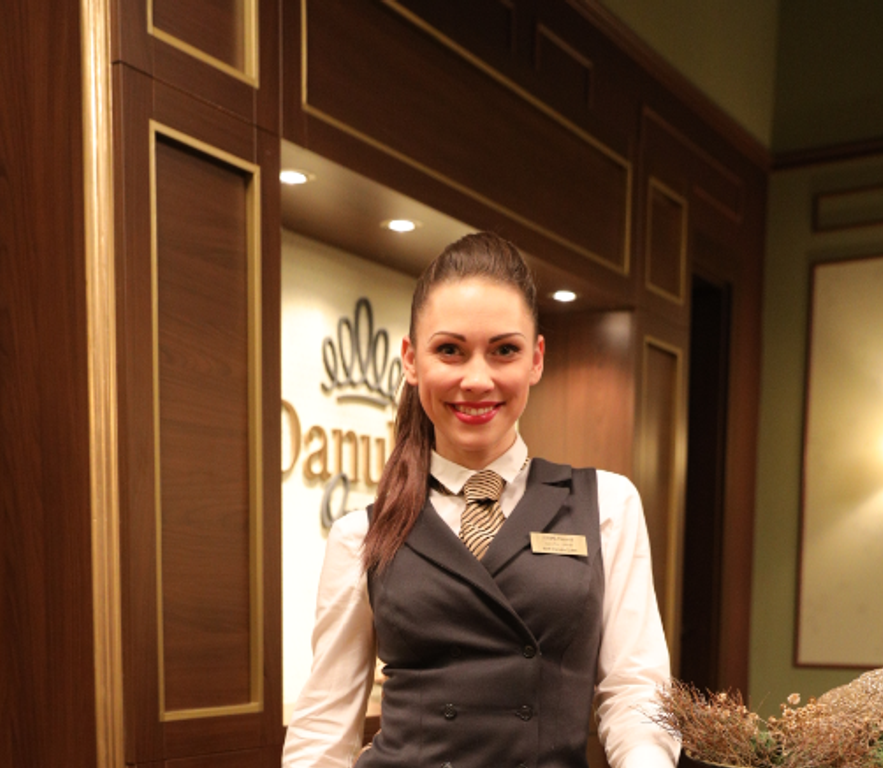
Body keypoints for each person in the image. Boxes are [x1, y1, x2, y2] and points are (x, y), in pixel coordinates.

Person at [283, 232, 679, 768]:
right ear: (411, 360)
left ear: (536, 359)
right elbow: (324, 728)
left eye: (504, 350)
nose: (476, 379)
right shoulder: (360, 535)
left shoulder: (607, 505)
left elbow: (636, 693)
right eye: (450, 350)